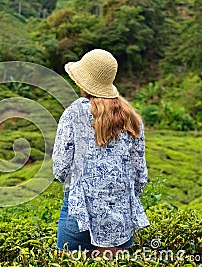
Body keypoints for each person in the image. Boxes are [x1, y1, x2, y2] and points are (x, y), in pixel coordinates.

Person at [52, 49, 150, 258]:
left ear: (83, 82)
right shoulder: (132, 117)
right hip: (119, 216)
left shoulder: (74, 113)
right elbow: (140, 175)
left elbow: (60, 168)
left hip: (80, 208)